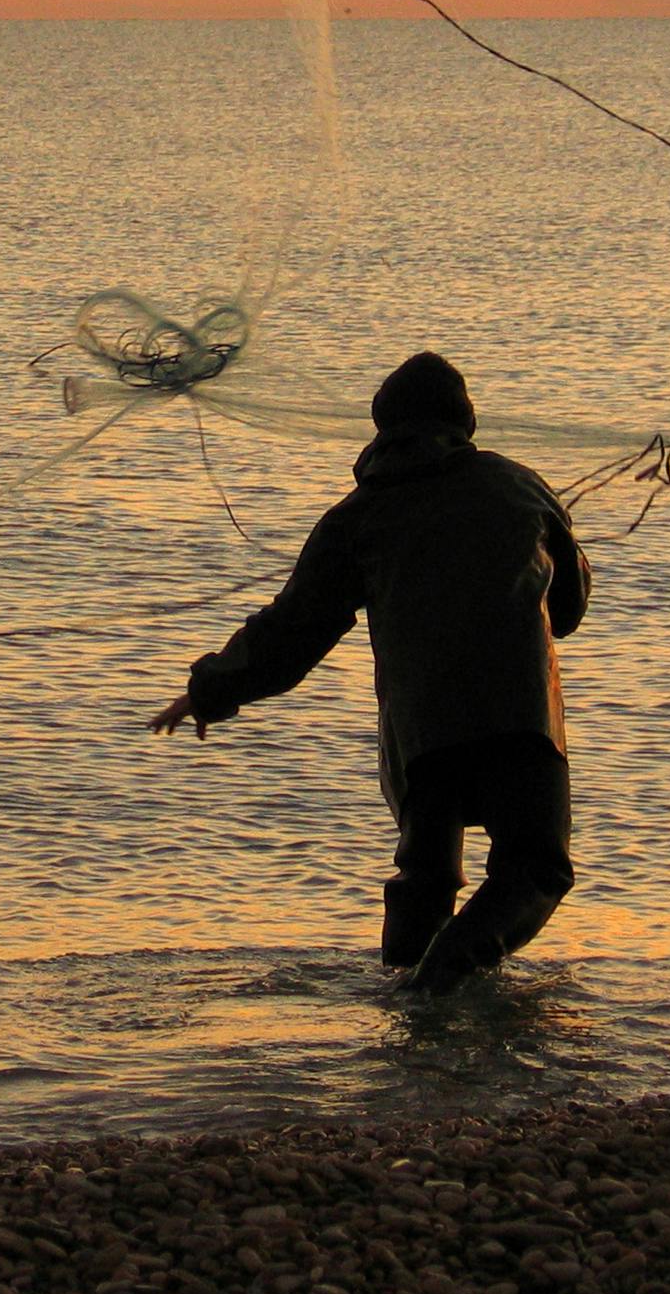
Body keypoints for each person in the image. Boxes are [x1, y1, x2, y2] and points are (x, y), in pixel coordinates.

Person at [147, 352, 591, 989]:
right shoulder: (520, 486)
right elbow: (570, 610)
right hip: (521, 721)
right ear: (465, 420)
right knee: (534, 871)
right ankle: (438, 981)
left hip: (423, 734)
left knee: (427, 881)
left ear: (382, 429)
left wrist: (210, 689)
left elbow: (293, 629)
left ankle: (406, 1016)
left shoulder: (357, 515)